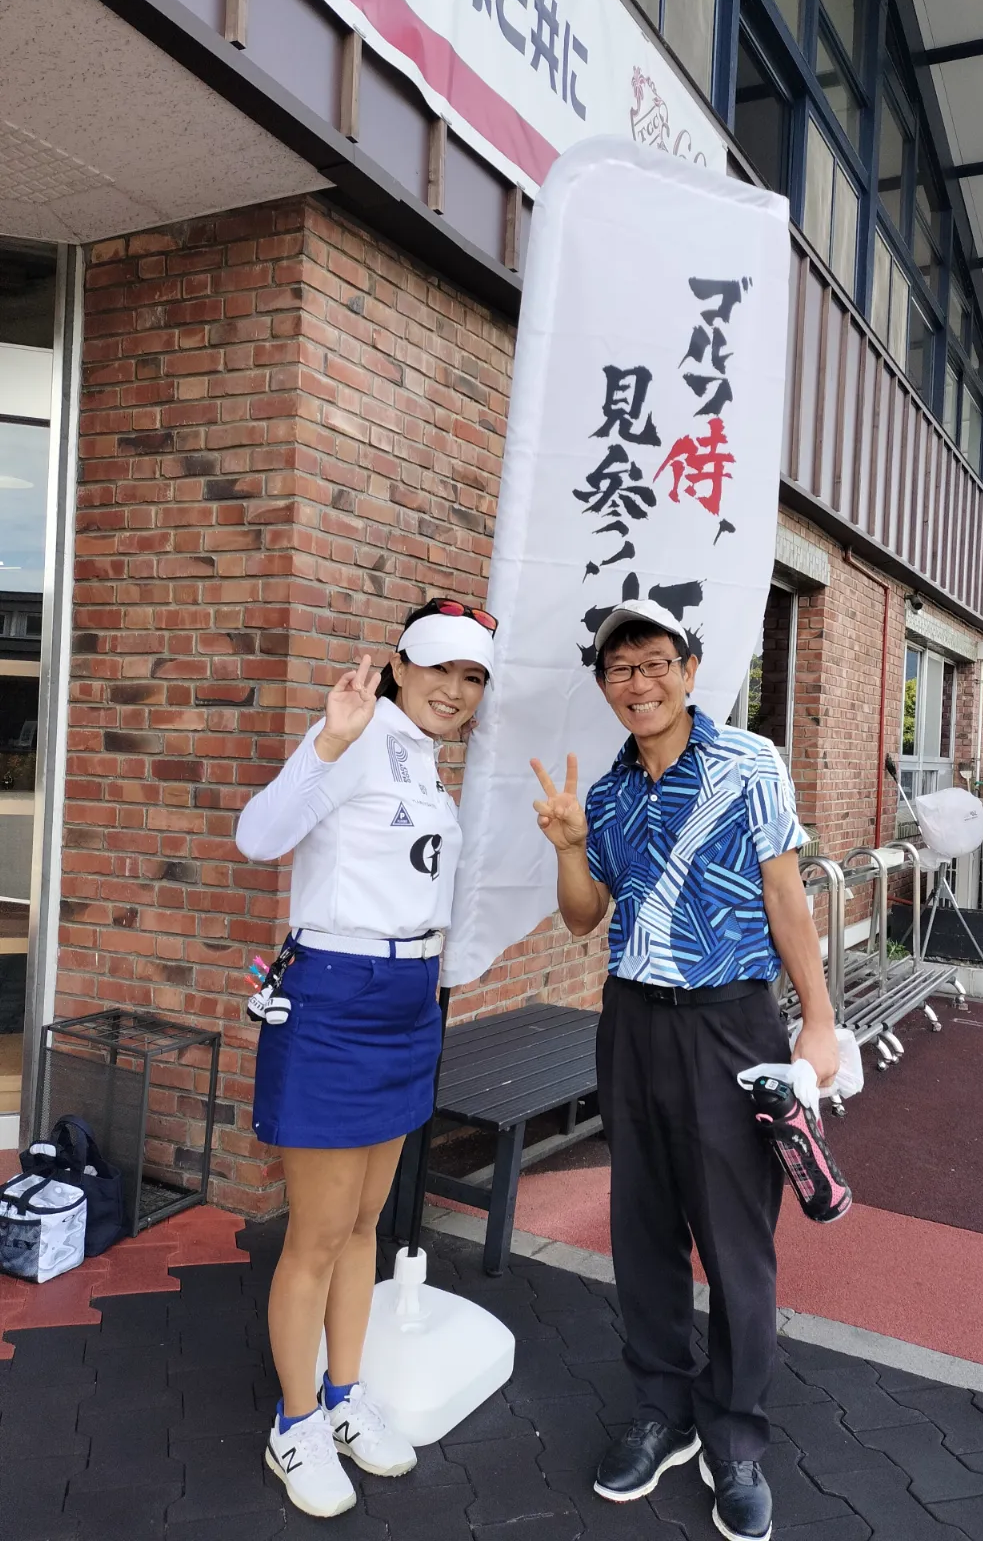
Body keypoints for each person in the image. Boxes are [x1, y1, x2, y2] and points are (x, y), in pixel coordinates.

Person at [531, 599, 840, 1541]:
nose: (640, 683)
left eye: (656, 662)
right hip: (632, 1023)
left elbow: (785, 896)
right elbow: (584, 917)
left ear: (691, 669)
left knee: (736, 1239)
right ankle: (660, 1410)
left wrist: (819, 1021)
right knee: (644, 1226)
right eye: (621, 669)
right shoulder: (608, 793)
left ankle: (734, 1436)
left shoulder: (750, 763)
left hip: (731, 1024)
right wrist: (570, 849)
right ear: (605, 685)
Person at [235, 597, 498, 1520]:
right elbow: (258, 838)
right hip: (335, 996)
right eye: (440, 668)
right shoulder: (353, 735)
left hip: (407, 1001)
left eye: (472, 677)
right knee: (316, 1232)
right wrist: (328, 743)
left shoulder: (427, 763)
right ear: (400, 665)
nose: (454, 690)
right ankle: (296, 1419)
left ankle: (344, 1395)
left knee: (363, 1226)